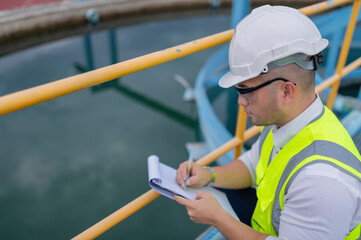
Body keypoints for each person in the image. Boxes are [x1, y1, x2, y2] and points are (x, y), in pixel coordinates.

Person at [174, 5, 361, 240]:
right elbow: (254, 164)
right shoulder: (288, 121)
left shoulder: (321, 183)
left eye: (247, 91)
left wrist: (218, 218)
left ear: (286, 92)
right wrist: (208, 175)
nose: (240, 102)